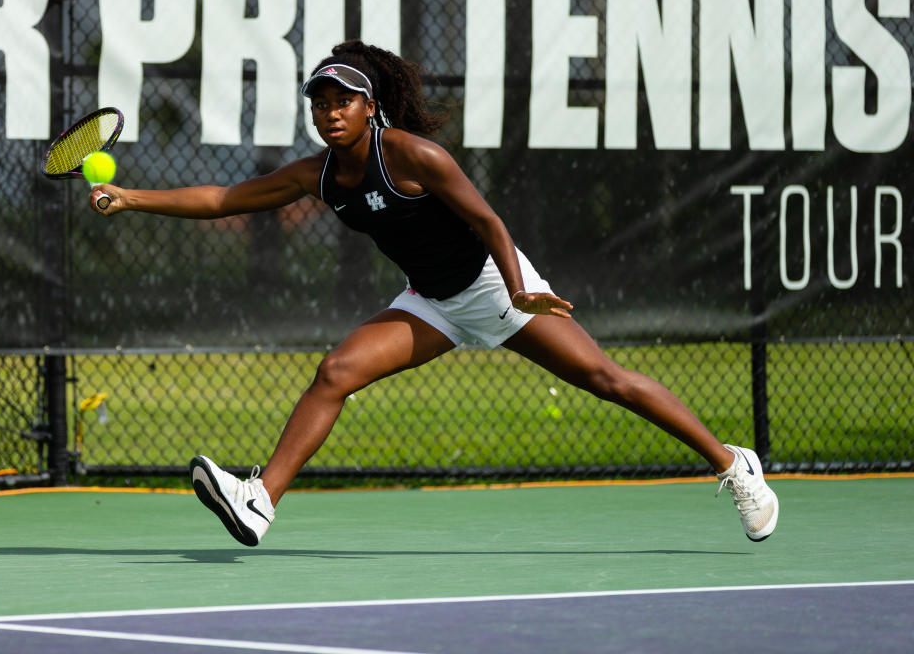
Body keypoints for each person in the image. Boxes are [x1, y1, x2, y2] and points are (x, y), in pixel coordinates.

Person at [89, 39, 779, 547]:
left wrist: (519, 289)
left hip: (494, 286)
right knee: (337, 372)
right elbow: (221, 198)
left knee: (606, 379)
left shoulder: (417, 156)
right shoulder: (316, 175)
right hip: (431, 301)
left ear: (369, 107)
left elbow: (486, 220)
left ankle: (732, 464)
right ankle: (260, 499)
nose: (330, 113)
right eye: (320, 103)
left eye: (343, 101)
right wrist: (131, 198)